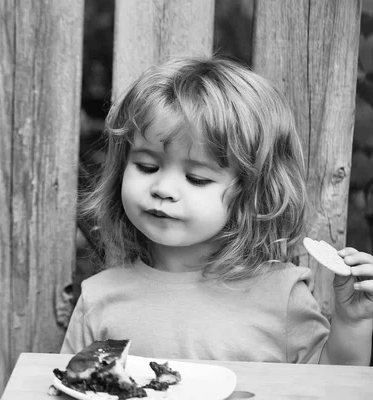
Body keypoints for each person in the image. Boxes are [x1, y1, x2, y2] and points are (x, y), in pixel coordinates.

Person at [61, 56, 373, 365]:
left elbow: (332, 385)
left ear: (250, 193)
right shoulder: (99, 298)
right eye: (146, 166)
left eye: (196, 178)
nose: (163, 189)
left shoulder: (281, 295)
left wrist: (353, 323)